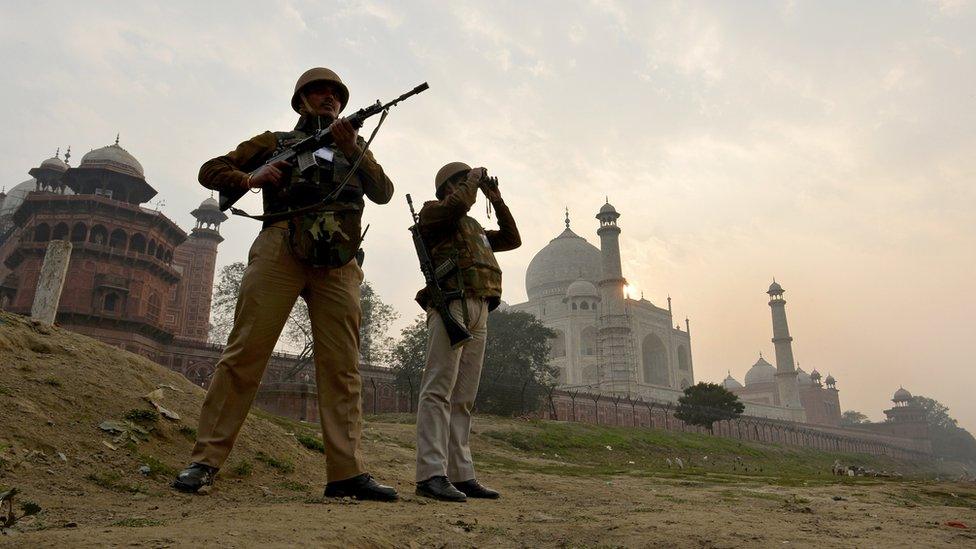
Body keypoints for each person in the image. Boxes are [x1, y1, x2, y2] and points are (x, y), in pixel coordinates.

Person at [173, 67, 397, 501]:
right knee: (244, 354)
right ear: (300, 100)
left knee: (343, 367)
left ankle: (347, 473)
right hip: (281, 243)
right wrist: (250, 179)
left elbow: (384, 192)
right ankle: (204, 461)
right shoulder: (274, 142)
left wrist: (355, 149)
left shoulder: (355, 148)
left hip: (338, 257)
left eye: (335, 93)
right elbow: (211, 170)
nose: (328, 97)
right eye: (318, 91)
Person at [413, 162, 520, 501]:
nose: (471, 188)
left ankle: (461, 473)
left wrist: (497, 199)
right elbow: (458, 205)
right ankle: (431, 473)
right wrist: (473, 177)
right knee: (438, 390)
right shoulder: (434, 215)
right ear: (450, 187)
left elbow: (512, 239)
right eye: (464, 182)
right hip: (451, 303)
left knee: (463, 397)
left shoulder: (472, 227)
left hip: (480, 307)